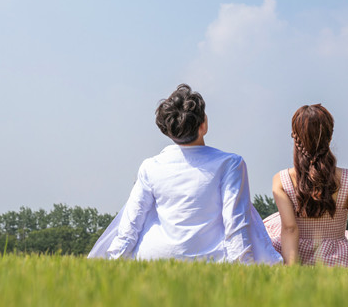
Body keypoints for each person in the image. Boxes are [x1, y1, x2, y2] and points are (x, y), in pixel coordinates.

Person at [88, 84, 282, 264]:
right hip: (211, 259)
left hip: (154, 257)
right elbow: (236, 223)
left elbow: (131, 223)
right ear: (203, 125)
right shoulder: (231, 163)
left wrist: (112, 261)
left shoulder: (150, 166)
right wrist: (244, 267)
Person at [263, 104, 348, 268]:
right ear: (330, 136)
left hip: (294, 251)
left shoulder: (281, 179)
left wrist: (291, 269)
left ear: (294, 136)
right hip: (339, 257)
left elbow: (290, 229)